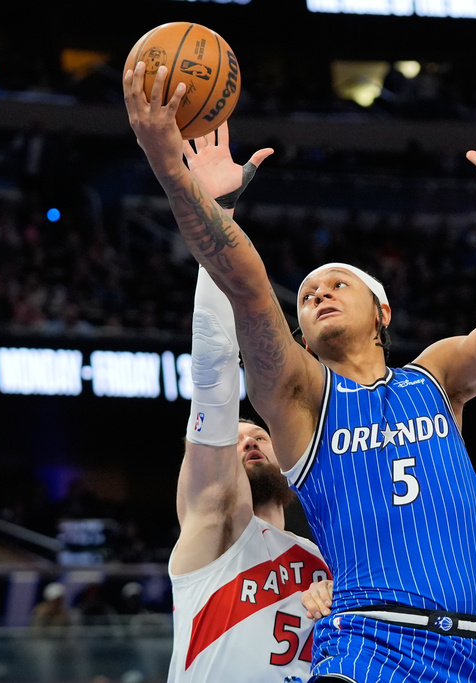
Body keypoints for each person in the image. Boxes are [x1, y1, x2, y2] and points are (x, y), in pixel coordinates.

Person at [125, 60, 476, 682]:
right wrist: (175, 174)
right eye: (307, 295)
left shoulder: (437, 377)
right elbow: (246, 287)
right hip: (367, 645)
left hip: (473, 653)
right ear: (300, 334)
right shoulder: (300, 396)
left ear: (382, 311)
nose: (318, 294)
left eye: (338, 284)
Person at [166, 126, 331, 682]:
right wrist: (219, 214)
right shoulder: (213, 525)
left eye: (259, 434)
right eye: (234, 440)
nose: (250, 439)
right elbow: (214, 370)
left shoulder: (330, 563)